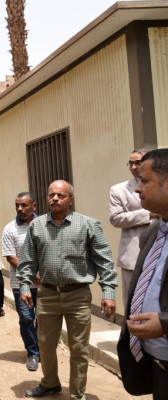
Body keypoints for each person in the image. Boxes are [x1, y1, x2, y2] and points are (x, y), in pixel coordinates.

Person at [17, 180, 118, 399]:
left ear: (71, 199)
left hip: (78, 296)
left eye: (61, 195)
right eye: (51, 195)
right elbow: (27, 261)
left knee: (79, 348)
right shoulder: (37, 226)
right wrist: (24, 285)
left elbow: (104, 261)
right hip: (47, 295)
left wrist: (108, 292)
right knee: (45, 344)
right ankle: (50, 382)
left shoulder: (88, 224)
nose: (55, 198)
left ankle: (77, 394)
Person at [118, 148, 168, 400]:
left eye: (145, 181)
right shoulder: (153, 233)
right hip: (156, 364)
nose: (137, 189)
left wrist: (165, 323)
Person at [109, 148, 155, 306]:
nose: (134, 167)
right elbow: (115, 219)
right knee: (133, 302)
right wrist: (147, 214)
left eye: (138, 162)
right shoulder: (119, 189)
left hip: (160, 250)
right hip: (133, 255)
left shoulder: (162, 184)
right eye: (130, 163)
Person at [1, 192, 41, 371]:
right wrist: (33, 274)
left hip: (45, 284)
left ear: (34, 206)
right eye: (17, 205)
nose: (20, 209)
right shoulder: (10, 229)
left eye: (24, 205)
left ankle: (41, 348)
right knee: (26, 318)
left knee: (45, 319)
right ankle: (33, 352)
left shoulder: (44, 224)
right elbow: (11, 258)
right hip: (20, 284)